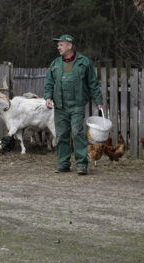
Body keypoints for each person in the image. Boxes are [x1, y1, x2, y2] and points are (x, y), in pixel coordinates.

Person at [44, 34, 102, 175]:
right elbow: (49, 82)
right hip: (60, 105)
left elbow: (93, 83)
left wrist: (98, 101)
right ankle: (63, 163)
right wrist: (48, 97)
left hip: (77, 105)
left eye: (61, 45)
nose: (58, 47)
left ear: (69, 46)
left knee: (77, 133)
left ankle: (82, 164)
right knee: (62, 134)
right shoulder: (55, 64)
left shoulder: (84, 62)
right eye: (58, 45)